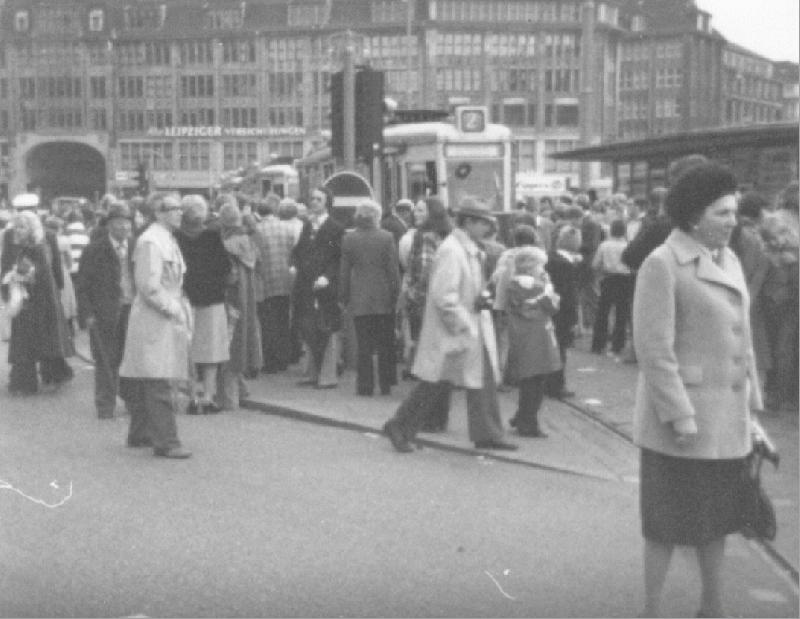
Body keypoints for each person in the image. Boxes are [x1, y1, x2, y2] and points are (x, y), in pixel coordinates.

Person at [632, 163, 766, 618]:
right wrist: (680, 415)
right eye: (721, 213)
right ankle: (651, 609)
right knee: (665, 524)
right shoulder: (662, 263)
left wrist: (752, 409)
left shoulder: (729, 260)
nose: (732, 221)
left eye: (734, 212)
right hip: (681, 423)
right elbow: (654, 349)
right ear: (693, 215)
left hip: (726, 419)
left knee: (716, 521)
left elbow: (743, 342)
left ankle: (712, 606)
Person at [383, 198, 517, 453]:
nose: (488, 228)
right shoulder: (453, 251)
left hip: (467, 327)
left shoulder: (466, 248)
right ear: (469, 223)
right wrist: (464, 325)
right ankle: (400, 425)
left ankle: (488, 432)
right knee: (437, 382)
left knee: (475, 380)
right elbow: (444, 296)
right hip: (456, 330)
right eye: (484, 223)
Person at [118, 193, 192, 459]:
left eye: (181, 208)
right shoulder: (151, 241)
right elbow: (148, 285)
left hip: (161, 316)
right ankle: (167, 441)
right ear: (159, 213)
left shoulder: (165, 238)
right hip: (155, 316)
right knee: (158, 377)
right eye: (173, 208)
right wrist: (173, 308)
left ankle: (141, 433)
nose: (180, 212)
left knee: (148, 376)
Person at [1, 210, 74, 394]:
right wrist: (8, 290)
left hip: (43, 297)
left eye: (22, 226)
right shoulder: (12, 239)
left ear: (32, 227)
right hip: (24, 297)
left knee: (46, 335)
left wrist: (56, 290)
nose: (18, 230)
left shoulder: (43, 242)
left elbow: (51, 271)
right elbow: (6, 265)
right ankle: (24, 381)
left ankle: (53, 374)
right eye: (17, 226)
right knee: (24, 338)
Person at [76, 201, 136, 419]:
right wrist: (87, 314)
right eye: (119, 222)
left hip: (133, 310)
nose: (124, 227)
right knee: (105, 359)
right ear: (109, 224)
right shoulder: (94, 250)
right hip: (104, 312)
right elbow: (82, 285)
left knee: (130, 358)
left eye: (127, 222)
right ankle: (105, 405)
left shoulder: (137, 246)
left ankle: (132, 401)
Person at [175, 195, 231, 414]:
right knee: (211, 351)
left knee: (187, 351)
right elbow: (225, 267)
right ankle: (208, 396)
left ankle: (192, 397)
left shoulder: (175, 237)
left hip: (185, 299)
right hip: (212, 299)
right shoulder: (212, 236)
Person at [401, 196, 453, 430]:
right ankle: (439, 417)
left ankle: (428, 418)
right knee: (441, 362)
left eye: (421, 210)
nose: (416, 213)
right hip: (442, 302)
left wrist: (413, 293)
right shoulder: (447, 235)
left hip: (425, 304)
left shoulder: (424, 236)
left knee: (429, 361)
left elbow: (425, 268)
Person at [339, 199, 400, 396]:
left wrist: (343, 297)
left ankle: (365, 386)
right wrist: (396, 294)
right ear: (377, 216)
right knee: (385, 343)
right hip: (383, 296)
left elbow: (344, 272)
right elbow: (393, 271)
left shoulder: (349, 239)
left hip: (359, 297)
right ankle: (385, 384)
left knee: (363, 345)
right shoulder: (387, 237)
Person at [504, 247, 562, 438]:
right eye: (540, 266)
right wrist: (549, 286)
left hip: (522, 334)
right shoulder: (539, 287)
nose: (543, 269)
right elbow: (552, 305)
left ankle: (522, 415)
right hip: (538, 334)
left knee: (528, 378)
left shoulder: (513, 284)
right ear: (530, 267)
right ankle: (528, 422)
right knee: (536, 381)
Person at [292, 186, 345, 389]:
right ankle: (311, 373)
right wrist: (294, 264)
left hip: (325, 286)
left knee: (326, 329)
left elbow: (338, 258)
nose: (313, 202)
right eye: (312, 199)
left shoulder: (335, 228)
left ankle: (327, 376)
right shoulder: (307, 226)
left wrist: (327, 277)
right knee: (308, 328)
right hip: (306, 284)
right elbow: (298, 251)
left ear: (327, 203)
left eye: (318, 199)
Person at [218, 201, 263, 409]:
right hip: (249, 298)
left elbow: (227, 276)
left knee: (230, 344)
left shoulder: (225, 244)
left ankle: (229, 398)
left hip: (232, 299)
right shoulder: (250, 242)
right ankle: (242, 389)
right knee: (244, 340)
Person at [254, 197, 298, 373]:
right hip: (285, 280)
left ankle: (271, 361)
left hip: (265, 282)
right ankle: (284, 358)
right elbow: (294, 251)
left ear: (258, 213)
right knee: (283, 320)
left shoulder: (257, 230)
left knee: (268, 323)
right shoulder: (287, 228)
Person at [544, 225, 582, 399]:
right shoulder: (567, 265)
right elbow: (570, 294)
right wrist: (574, 318)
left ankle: (548, 382)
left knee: (552, 347)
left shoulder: (550, 257)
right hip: (563, 312)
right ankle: (557, 385)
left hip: (550, 309)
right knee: (561, 349)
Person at [591, 219, 633, 356]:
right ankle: (618, 345)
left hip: (608, 278)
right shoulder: (628, 246)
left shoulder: (604, 245)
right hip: (625, 279)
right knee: (622, 313)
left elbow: (595, 264)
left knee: (603, 311)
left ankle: (598, 344)